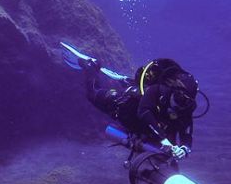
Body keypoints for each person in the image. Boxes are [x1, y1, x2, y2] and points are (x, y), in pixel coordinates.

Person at [61, 43, 201, 162]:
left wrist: (184, 149)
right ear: (174, 89)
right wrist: (164, 140)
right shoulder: (159, 90)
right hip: (124, 105)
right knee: (92, 94)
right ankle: (90, 66)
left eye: (186, 100)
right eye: (179, 97)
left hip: (144, 125)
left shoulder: (186, 107)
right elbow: (144, 111)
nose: (180, 103)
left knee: (163, 156)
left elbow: (186, 134)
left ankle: (125, 80)